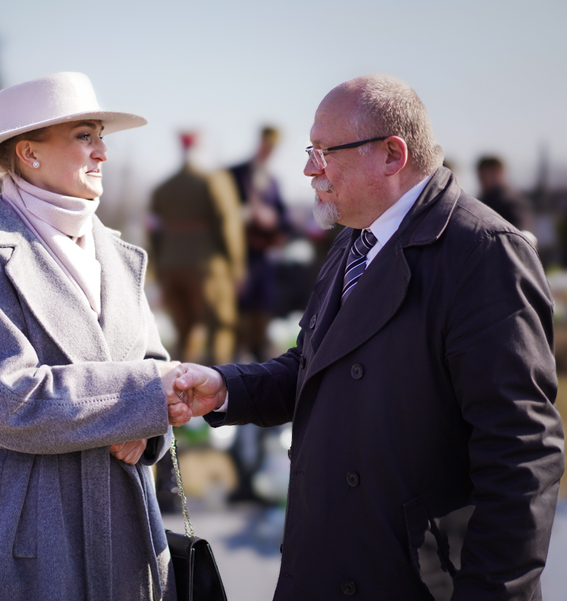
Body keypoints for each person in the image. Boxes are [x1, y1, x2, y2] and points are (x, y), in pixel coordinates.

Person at [171, 74, 565, 599]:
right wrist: (225, 388)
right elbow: (318, 363)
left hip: (410, 579)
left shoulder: (484, 251)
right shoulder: (357, 236)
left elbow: (522, 453)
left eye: (324, 151)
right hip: (325, 565)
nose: (309, 168)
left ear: (391, 155)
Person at [0, 72, 185, 600]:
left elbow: (155, 364)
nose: (102, 152)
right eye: (84, 136)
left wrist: (148, 432)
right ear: (28, 153)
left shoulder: (118, 254)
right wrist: (137, 401)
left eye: (101, 136)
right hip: (24, 523)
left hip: (124, 519)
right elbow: (4, 400)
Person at [149, 131, 244, 365]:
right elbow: (228, 224)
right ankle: (221, 389)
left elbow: (153, 230)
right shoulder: (213, 180)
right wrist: (237, 264)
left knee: (183, 332)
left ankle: (180, 389)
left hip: (170, 266)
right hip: (207, 265)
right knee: (220, 326)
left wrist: (158, 267)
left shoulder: (163, 187)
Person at [228, 126, 292, 362]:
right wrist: (248, 214)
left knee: (261, 305)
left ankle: (258, 354)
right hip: (238, 254)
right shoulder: (235, 173)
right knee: (237, 308)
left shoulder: (273, 181)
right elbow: (222, 210)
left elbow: (284, 217)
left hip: (263, 257)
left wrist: (272, 218)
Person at [476, 154, 534, 233]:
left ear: (497, 172)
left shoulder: (513, 203)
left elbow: (520, 235)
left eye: (483, 175)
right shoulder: (481, 201)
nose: (481, 180)